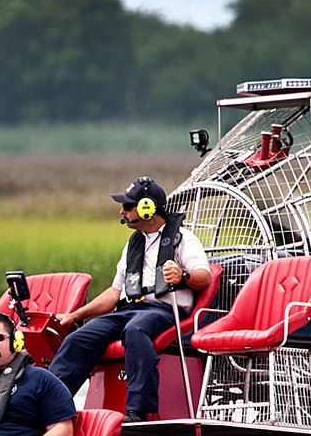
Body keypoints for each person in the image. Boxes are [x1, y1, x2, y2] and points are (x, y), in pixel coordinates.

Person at [49, 176, 212, 422]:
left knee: (135, 330)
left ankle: (138, 409)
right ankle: (51, 407)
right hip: (129, 309)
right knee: (80, 338)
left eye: (127, 206)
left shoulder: (183, 239)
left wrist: (183, 275)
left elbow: (205, 277)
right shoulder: (133, 244)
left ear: (147, 208)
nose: (122, 211)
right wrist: (74, 316)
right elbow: (114, 293)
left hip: (164, 310)